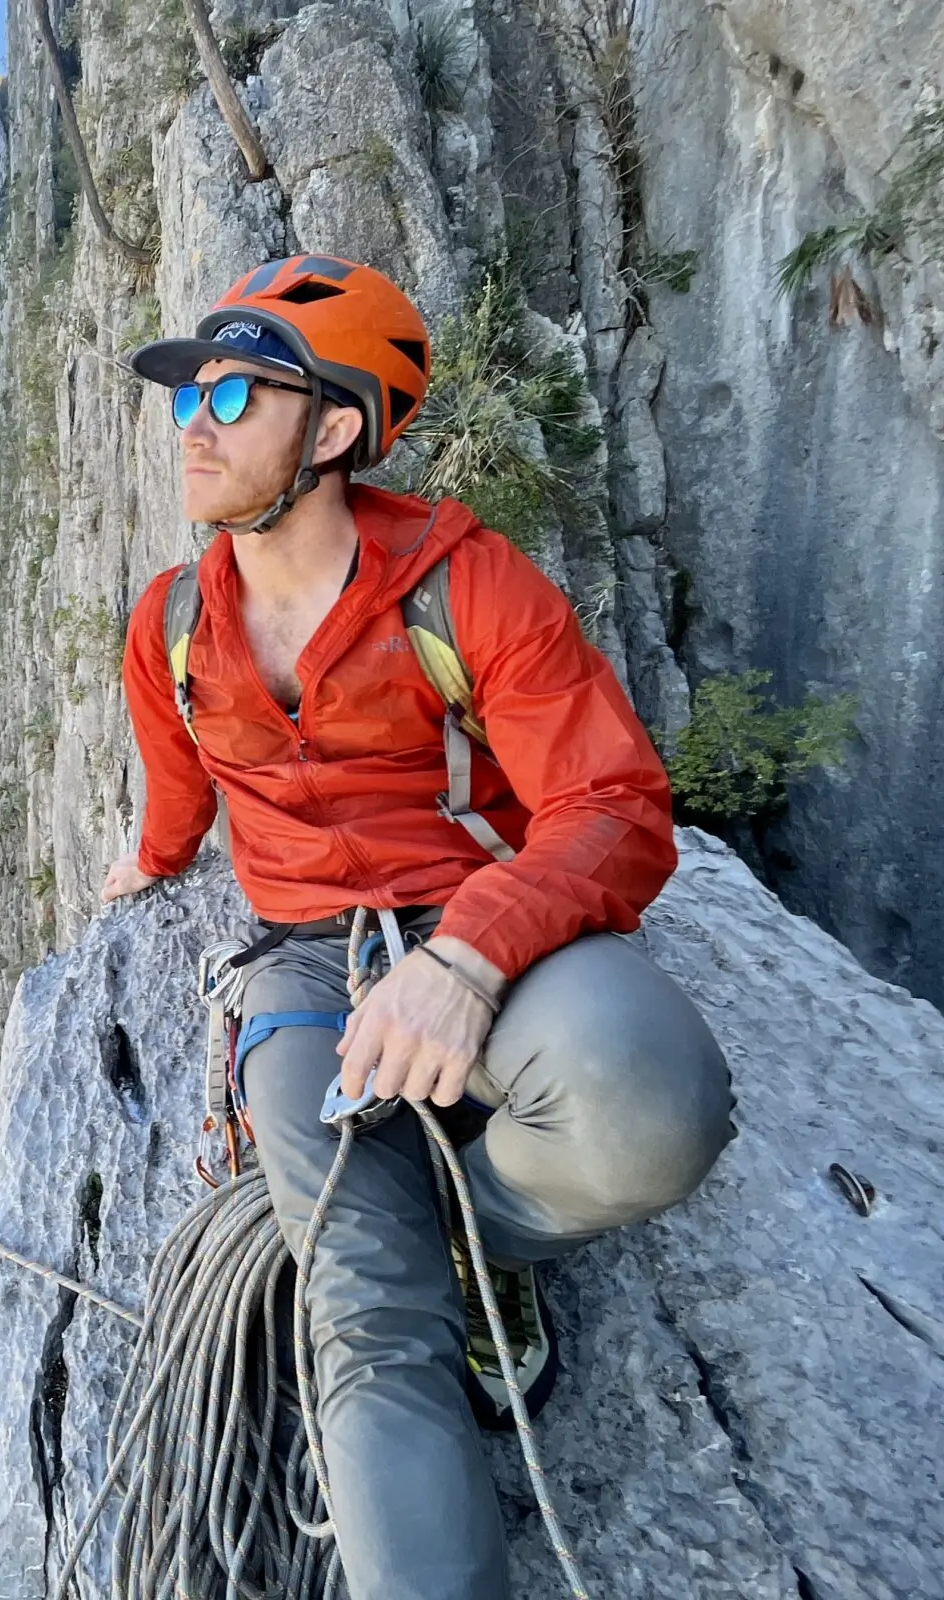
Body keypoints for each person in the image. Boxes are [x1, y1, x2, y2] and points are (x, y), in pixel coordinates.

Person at [104, 254, 735, 1599]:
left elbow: (615, 805)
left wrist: (469, 954)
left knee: (654, 1108)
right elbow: (177, 792)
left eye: (233, 395)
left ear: (335, 430)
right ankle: (421, 1277)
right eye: (187, 397)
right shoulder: (171, 627)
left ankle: (480, 1236)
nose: (194, 425)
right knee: (365, 1316)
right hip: (301, 967)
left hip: (480, 919)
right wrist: (150, 863)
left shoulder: (468, 586)